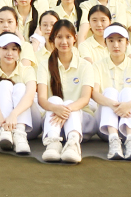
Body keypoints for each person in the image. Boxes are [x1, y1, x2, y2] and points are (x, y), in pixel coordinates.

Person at [38, 19, 94, 164]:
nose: (64, 41)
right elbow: (42, 99)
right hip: (53, 121)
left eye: (68, 37)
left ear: (75, 38)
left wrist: (65, 109)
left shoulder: (85, 65)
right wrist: (56, 108)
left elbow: (85, 99)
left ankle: (73, 144)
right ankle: (53, 144)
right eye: (59, 37)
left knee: (68, 102)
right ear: (52, 39)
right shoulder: (44, 65)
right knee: (54, 100)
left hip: (81, 120)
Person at [91, 23, 131, 162]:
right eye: (111, 41)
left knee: (128, 91)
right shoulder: (97, 66)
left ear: (127, 43)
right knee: (109, 92)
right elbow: (94, 94)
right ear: (105, 43)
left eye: (120, 40)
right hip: (105, 127)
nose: (116, 45)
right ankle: (114, 141)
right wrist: (112, 104)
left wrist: (128, 105)